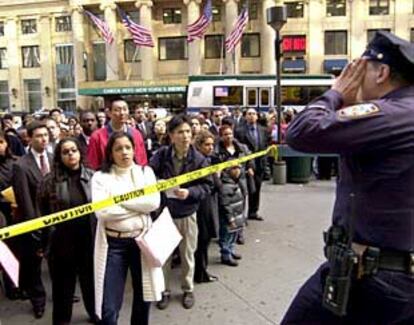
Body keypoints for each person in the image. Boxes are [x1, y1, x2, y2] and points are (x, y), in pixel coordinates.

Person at [282, 31, 414, 324]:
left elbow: (302, 132)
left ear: (382, 72)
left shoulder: (392, 114)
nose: (351, 75)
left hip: (373, 277)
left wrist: (335, 93)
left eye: (359, 69)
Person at [92, 132, 162, 325]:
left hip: (142, 242)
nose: (124, 152)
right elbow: (103, 212)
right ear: (110, 153)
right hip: (114, 245)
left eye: (128, 147)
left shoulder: (145, 172)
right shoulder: (100, 177)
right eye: (118, 148)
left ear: (134, 149)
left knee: (144, 296)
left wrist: (119, 199)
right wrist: (137, 203)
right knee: (109, 306)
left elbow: (153, 203)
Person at [150, 114, 211, 310]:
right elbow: (149, 174)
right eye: (180, 132)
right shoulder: (162, 155)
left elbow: (207, 186)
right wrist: (157, 183)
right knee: (165, 257)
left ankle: (187, 289)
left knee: (187, 255)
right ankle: (164, 291)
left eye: (187, 131)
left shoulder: (199, 159)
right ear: (171, 135)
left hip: (187, 213)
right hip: (165, 214)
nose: (185, 136)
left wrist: (190, 192)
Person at [38, 138, 96, 325]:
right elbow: (42, 213)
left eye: (74, 150)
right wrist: (43, 243)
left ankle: (95, 314)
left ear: (80, 152)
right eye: (65, 152)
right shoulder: (49, 182)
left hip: (89, 241)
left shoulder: (93, 177)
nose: (71, 154)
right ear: (59, 156)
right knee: (63, 289)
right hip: (61, 245)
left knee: (91, 285)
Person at [12, 121, 53, 319]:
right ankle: (38, 301)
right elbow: (24, 199)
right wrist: (34, 226)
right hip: (34, 221)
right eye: (38, 135)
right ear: (29, 138)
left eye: (46, 134)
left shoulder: (54, 158)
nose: (43, 139)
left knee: (58, 260)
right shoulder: (21, 165)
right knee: (34, 265)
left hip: (56, 220)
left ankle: (65, 293)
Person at [87, 98, 147, 170]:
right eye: (117, 110)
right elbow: (93, 164)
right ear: (109, 113)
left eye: (125, 109)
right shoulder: (97, 136)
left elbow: (142, 161)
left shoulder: (136, 134)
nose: (122, 113)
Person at [235, 108, 270, 221]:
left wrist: (265, 166)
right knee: (245, 190)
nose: (251, 116)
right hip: (246, 166)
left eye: (254, 114)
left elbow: (265, 147)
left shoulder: (263, 130)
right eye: (249, 114)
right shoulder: (239, 131)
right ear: (245, 117)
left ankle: (253, 212)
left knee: (256, 189)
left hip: (259, 164)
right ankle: (241, 214)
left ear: (257, 116)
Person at [193, 131, 219, 283]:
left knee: (204, 241)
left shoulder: (209, 160)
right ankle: (201, 273)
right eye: (207, 144)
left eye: (212, 144)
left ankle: (201, 271)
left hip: (208, 204)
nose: (210, 147)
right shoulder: (201, 162)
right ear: (199, 145)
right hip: (203, 207)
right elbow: (214, 185)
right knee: (202, 241)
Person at [218, 165, 246, 266]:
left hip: (237, 214)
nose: (238, 171)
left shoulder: (235, 182)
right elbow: (225, 204)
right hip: (230, 217)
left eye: (238, 168)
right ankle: (225, 255)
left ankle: (231, 251)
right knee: (226, 236)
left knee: (233, 235)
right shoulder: (226, 186)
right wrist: (230, 218)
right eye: (234, 168)